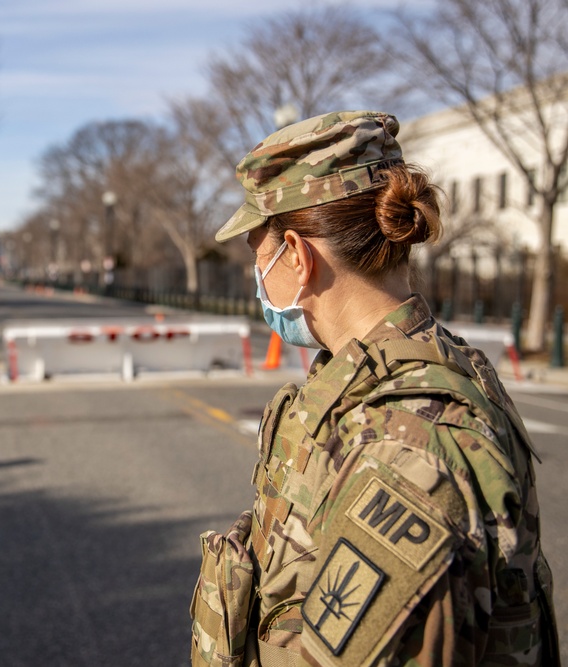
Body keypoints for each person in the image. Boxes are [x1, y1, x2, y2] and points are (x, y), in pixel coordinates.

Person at [190, 111, 559, 666]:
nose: (258, 280)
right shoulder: (390, 372)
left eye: (258, 258)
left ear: (296, 255)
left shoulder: (407, 443)